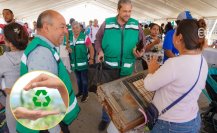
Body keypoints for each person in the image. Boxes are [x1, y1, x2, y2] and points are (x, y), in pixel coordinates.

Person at [19, 10, 80, 133]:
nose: (65, 31)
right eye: (62, 27)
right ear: (46, 27)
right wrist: (56, 130)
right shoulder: (41, 53)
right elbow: (41, 97)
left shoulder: (44, 47)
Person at [144, 19, 208, 133]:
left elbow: (149, 85)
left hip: (170, 125)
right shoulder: (202, 60)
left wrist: (151, 71)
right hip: (192, 120)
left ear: (179, 38)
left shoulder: (174, 63)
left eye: (174, 32)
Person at [95, 0, 146, 130]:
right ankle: (105, 119)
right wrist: (100, 51)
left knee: (123, 97)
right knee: (108, 97)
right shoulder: (107, 23)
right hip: (109, 68)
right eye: (125, 11)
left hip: (127, 68)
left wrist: (140, 52)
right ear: (118, 10)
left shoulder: (136, 25)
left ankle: (121, 122)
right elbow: (98, 39)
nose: (127, 14)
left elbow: (142, 43)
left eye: (130, 11)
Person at [0, 22, 28, 133]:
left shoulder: (3, 60)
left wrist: (4, 88)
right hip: (33, 100)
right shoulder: (32, 53)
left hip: (13, 103)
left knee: (15, 130)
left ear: (9, 43)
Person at [66, 21, 94, 102]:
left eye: (77, 28)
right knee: (78, 80)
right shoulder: (70, 38)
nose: (75, 30)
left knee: (84, 80)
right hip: (74, 64)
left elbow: (91, 48)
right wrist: (69, 49)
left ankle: (86, 94)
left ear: (80, 28)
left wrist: (91, 59)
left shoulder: (85, 37)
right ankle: (80, 92)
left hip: (83, 64)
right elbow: (68, 48)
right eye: (73, 28)